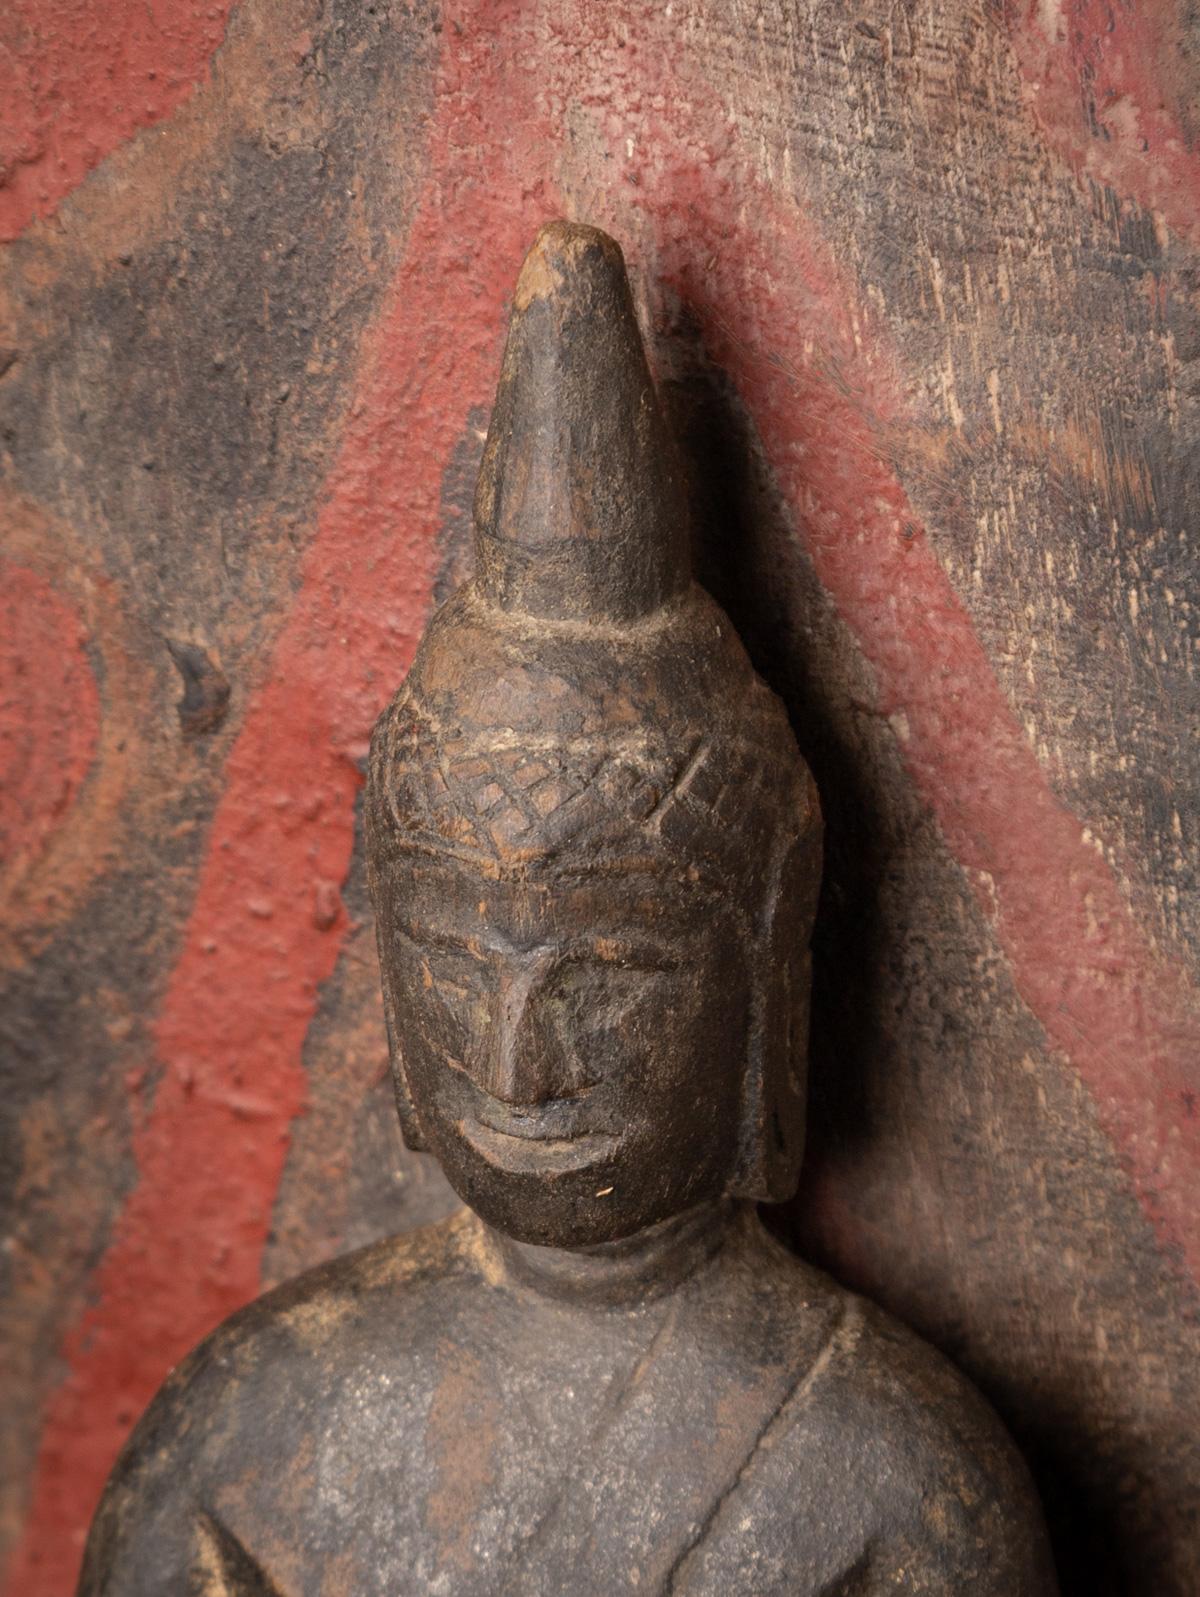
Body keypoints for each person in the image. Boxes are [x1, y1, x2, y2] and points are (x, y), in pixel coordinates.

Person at [79, 221, 1058, 1596]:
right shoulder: (243, 1438)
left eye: (611, 967)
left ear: (764, 966)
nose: (519, 1062)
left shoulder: (883, 1476)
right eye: (453, 964)